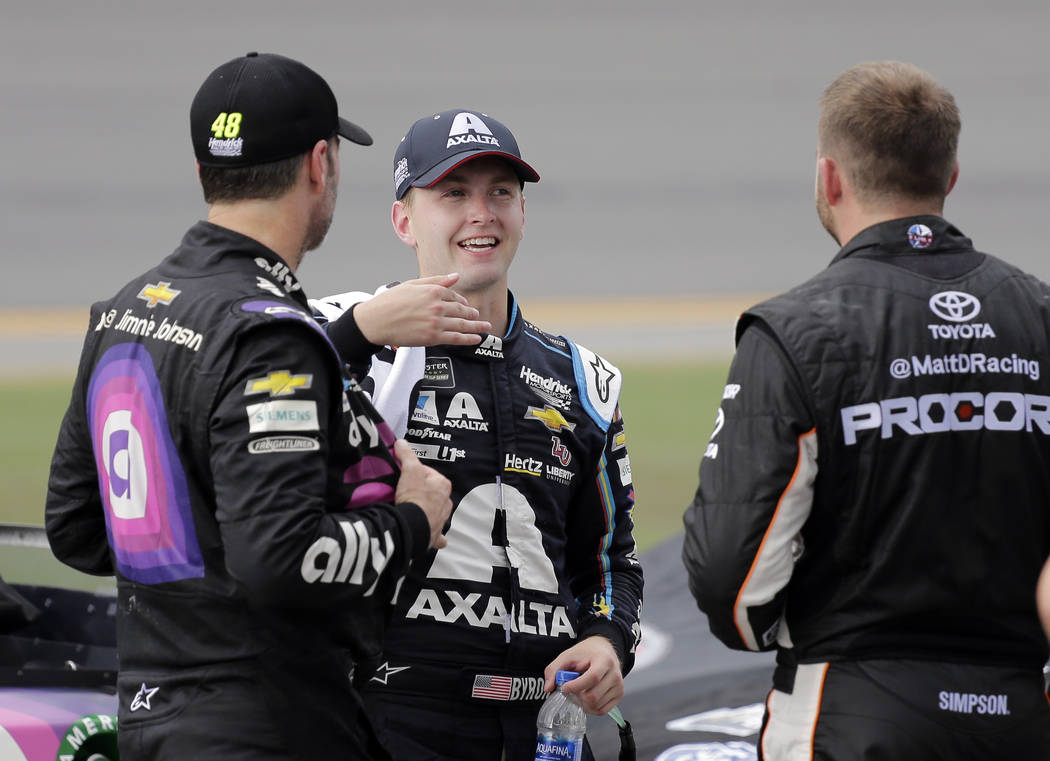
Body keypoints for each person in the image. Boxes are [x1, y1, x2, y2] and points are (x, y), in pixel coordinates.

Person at [44, 52, 460, 761]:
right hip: (265, 722)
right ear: (319, 165)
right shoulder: (269, 334)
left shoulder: (126, 309)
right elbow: (281, 558)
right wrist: (413, 521)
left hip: (149, 714)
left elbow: (76, 527)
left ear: (205, 172)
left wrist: (201, 557)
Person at [682, 61, 1050, 759]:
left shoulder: (793, 330)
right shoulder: (1039, 315)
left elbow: (731, 578)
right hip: (1023, 713)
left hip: (849, 710)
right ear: (951, 176)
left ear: (829, 177)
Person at [311, 109, 644, 760]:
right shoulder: (343, 338)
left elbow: (609, 560)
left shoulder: (584, 380)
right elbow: (246, 410)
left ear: (524, 212)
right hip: (389, 720)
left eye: (501, 192)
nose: (482, 213)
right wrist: (356, 334)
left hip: (542, 728)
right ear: (403, 219)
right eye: (453, 194)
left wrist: (607, 639)